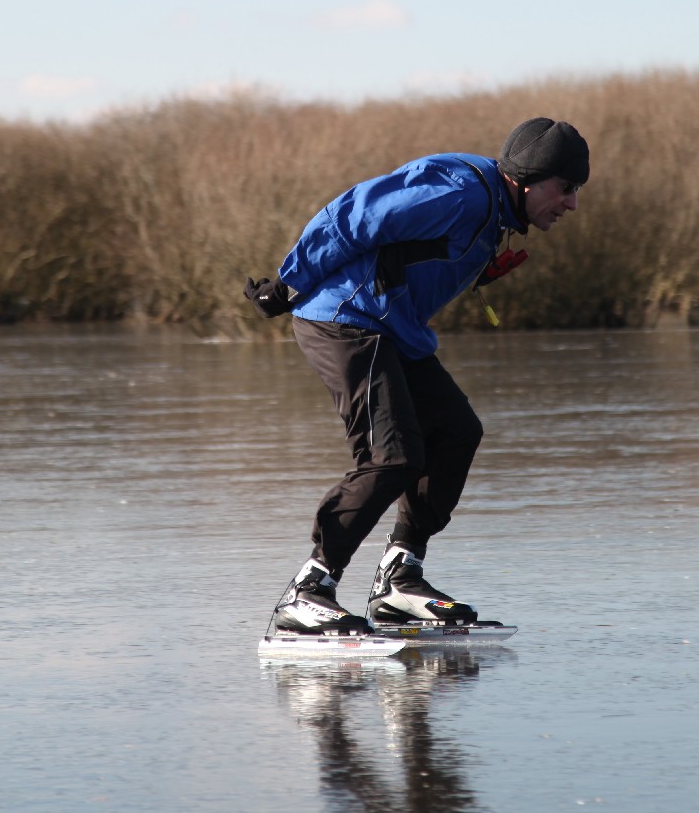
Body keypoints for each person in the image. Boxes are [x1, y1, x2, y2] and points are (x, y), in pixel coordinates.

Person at [244, 117, 590, 634]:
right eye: (565, 188)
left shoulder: (495, 212)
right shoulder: (464, 193)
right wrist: (290, 281)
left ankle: (399, 577)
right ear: (527, 178)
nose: (571, 203)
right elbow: (355, 214)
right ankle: (308, 589)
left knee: (456, 430)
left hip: (392, 330)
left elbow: (418, 256)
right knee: (393, 457)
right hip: (342, 319)